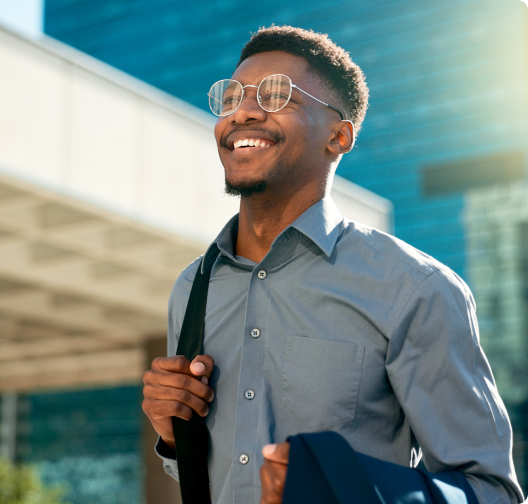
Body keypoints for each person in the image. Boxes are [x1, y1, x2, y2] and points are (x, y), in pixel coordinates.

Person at [142, 25, 525, 504]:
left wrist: (345, 488)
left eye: (277, 94)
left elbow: (490, 493)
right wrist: (175, 436)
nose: (242, 111)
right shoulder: (193, 287)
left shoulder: (416, 288)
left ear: (338, 136)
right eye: (232, 96)